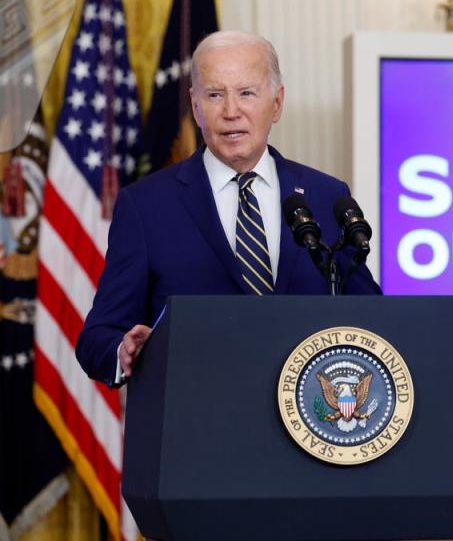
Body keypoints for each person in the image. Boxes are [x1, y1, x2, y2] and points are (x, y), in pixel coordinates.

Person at [75, 31, 381, 387]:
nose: (231, 111)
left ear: (277, 103)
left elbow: (371, 318)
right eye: (215, 95)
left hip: (310, 424)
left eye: (247, 93)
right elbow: (97, 337)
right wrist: (123, 350)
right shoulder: (145, 206)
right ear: (195, 106)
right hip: (195, 425)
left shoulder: (325, 196)